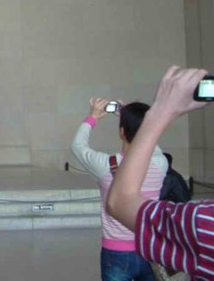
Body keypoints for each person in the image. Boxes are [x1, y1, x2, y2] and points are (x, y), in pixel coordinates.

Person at [107, 67, 214, 279]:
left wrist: (159, 113)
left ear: (121, 132)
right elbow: (155, 153)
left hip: (120, 246)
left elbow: (119, 201)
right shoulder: (161, 163)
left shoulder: (205, 223)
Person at [71, 98, 167, 280]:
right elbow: (151, 144)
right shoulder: (159, 164)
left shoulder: (105, 166)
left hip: (116, 251)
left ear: (122, 132)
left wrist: (92, 117)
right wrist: (141, 123)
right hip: (149, 249)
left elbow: (78, 146)